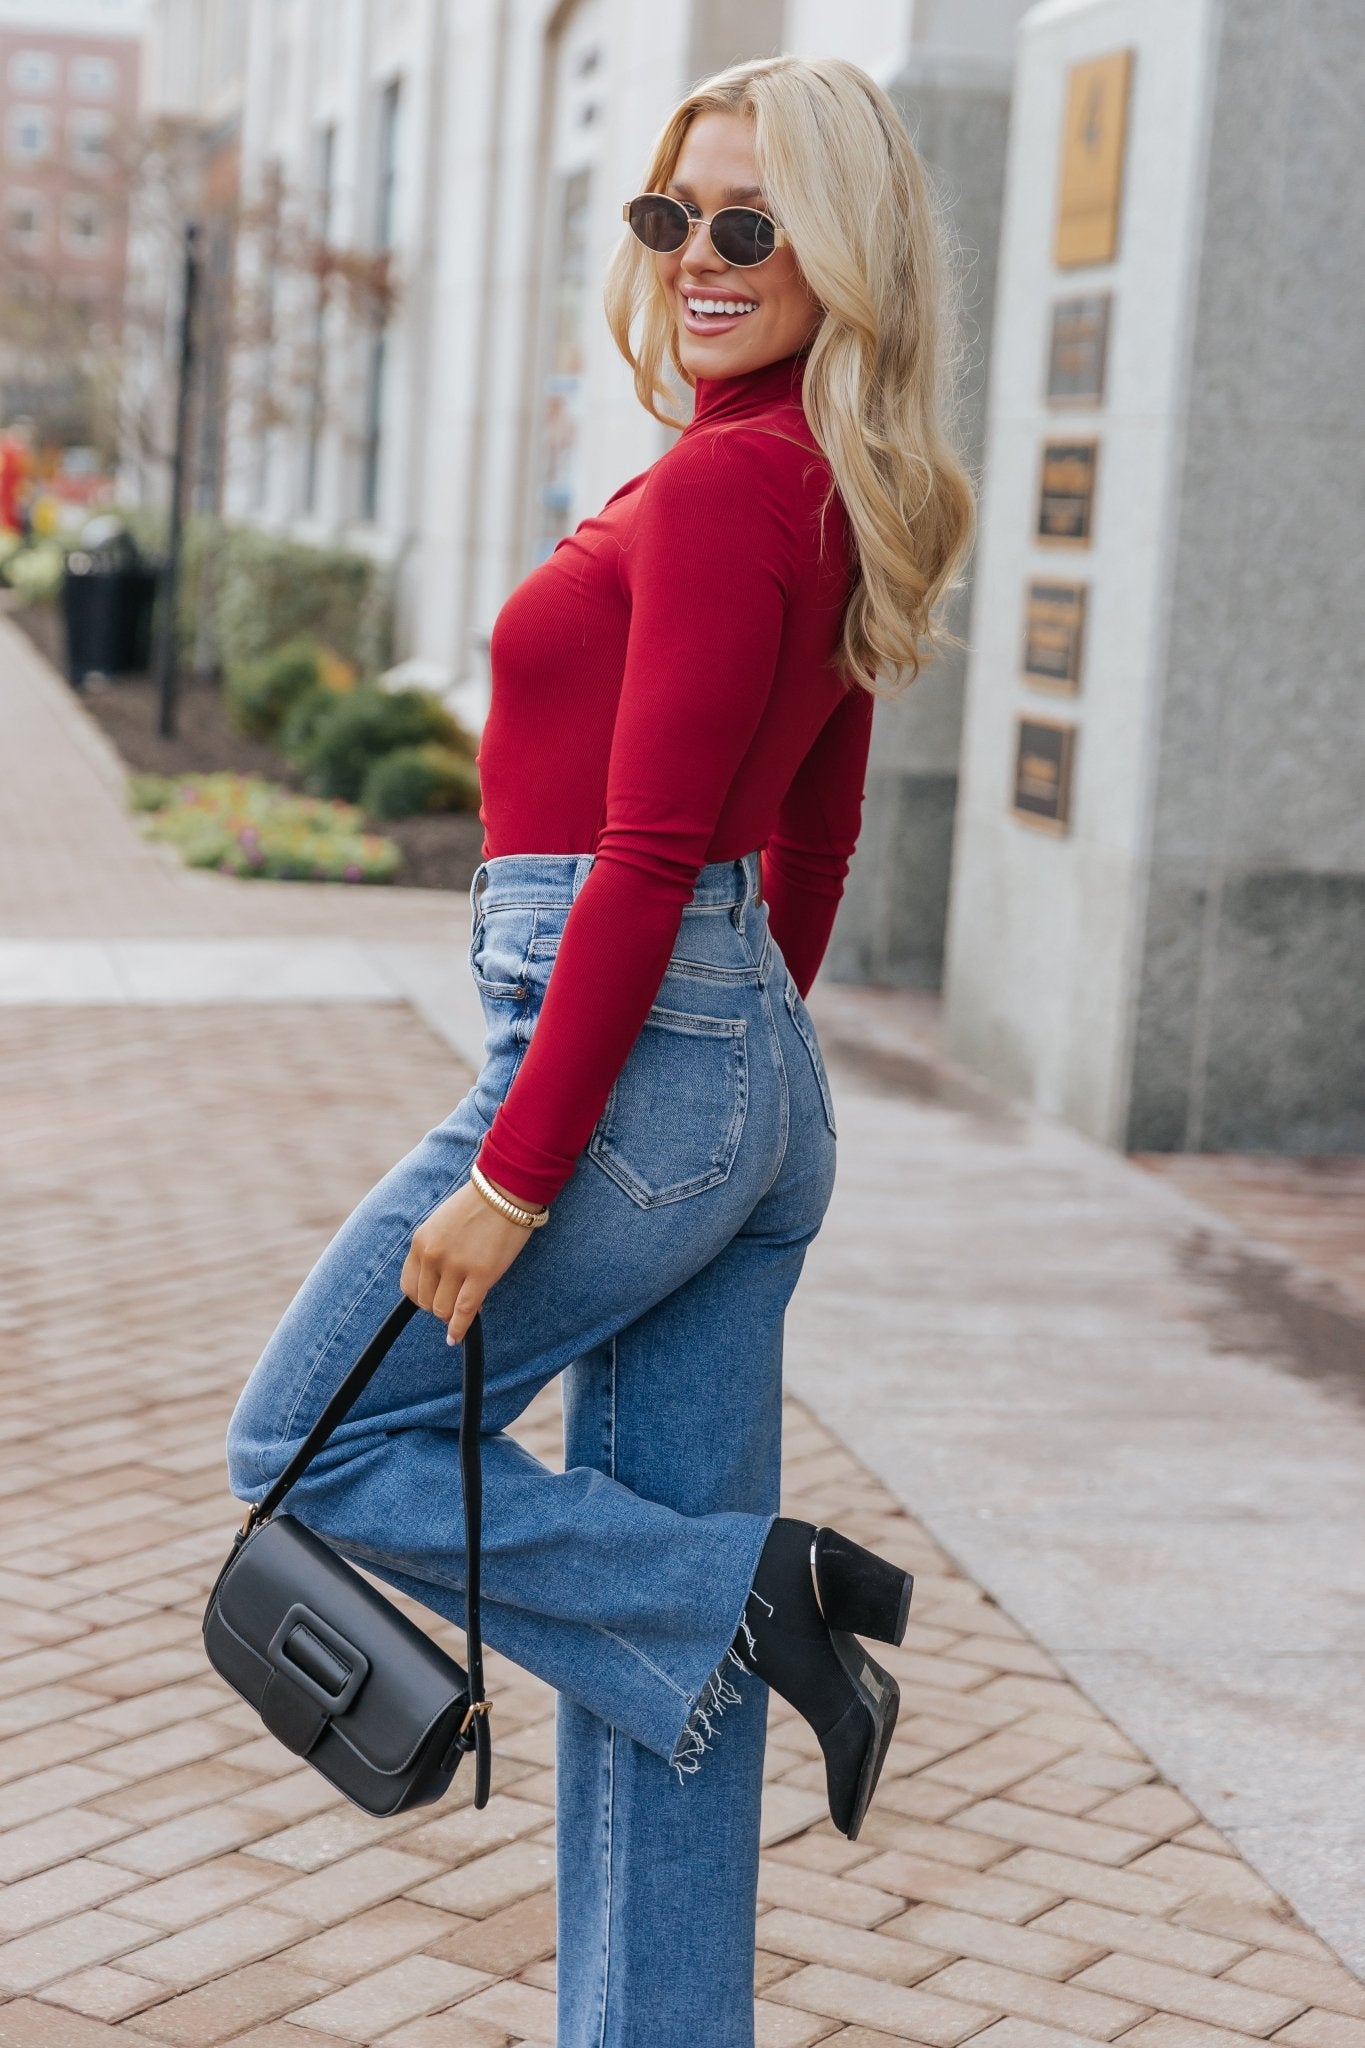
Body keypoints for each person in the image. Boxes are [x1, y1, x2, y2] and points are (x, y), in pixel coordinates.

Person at [226, 51, 974, 2048]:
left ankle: (748, 1588)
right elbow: (796, 843)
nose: (703, 257)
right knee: (667, 1646)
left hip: (622, 1043)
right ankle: (734, 1630)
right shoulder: (810, 468)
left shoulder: (738, 483)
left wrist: (530, 1166)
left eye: (752, 224)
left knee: (316, 1439)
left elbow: (653, 852)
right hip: (712, 1060)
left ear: (842, 249)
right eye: (671, 217)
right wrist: (746, 1088)